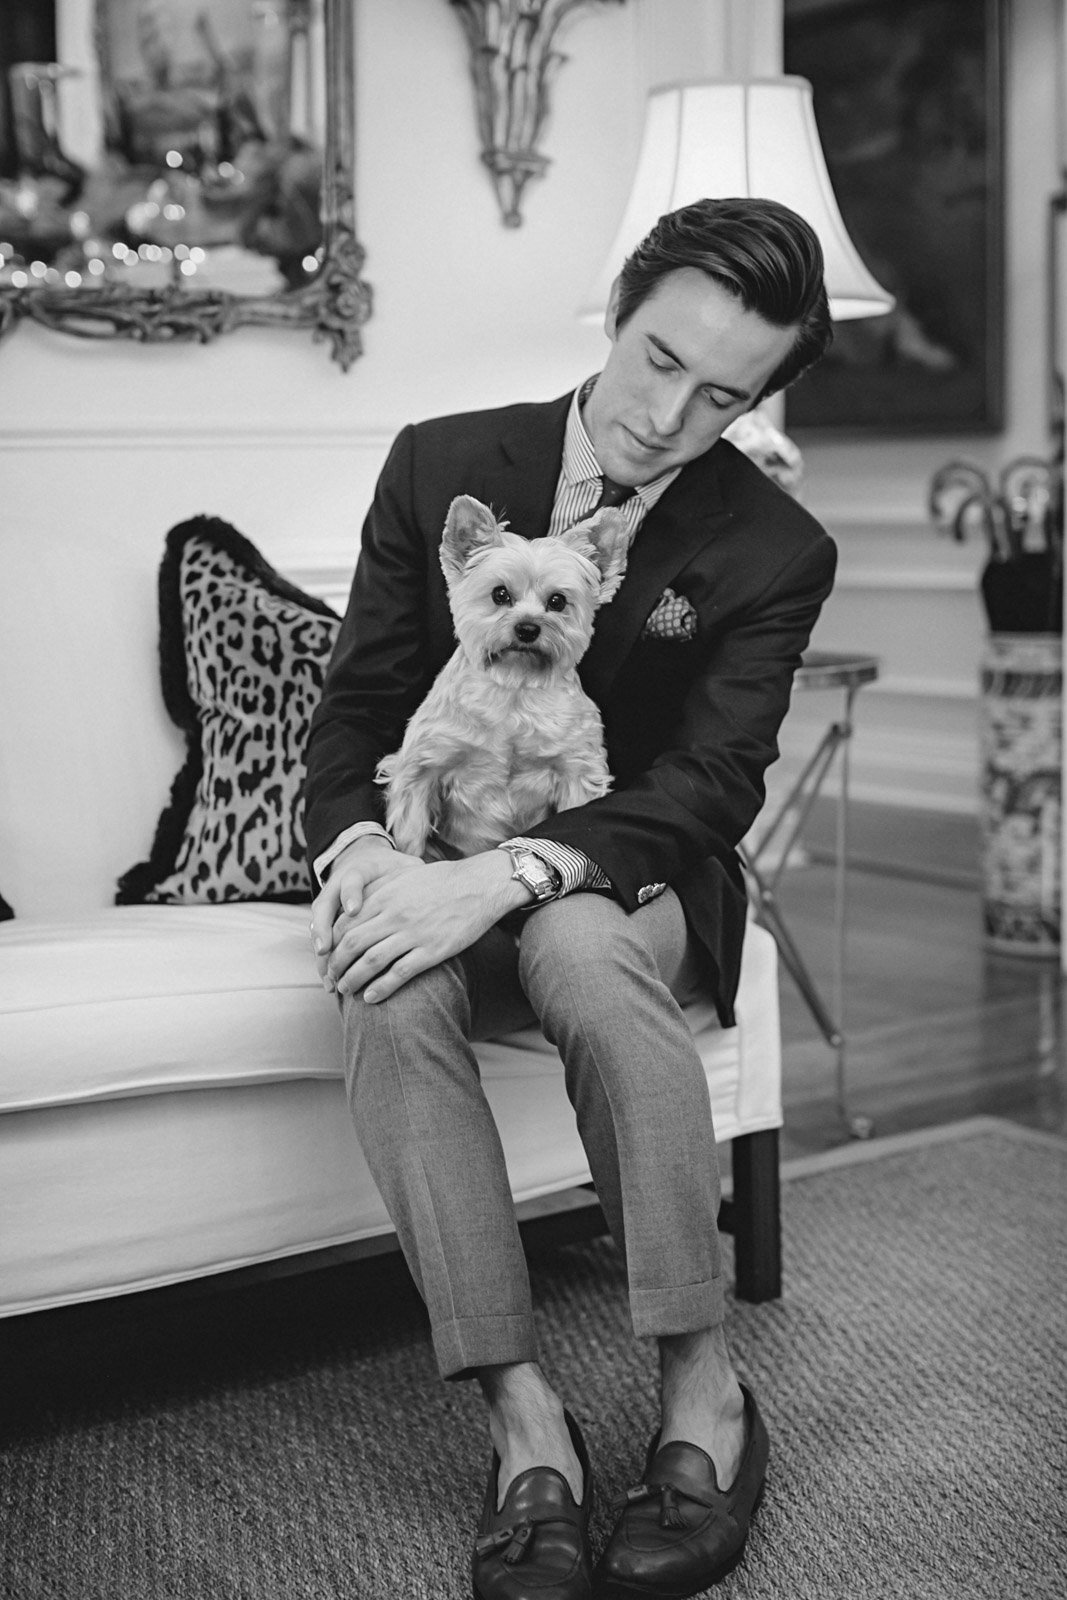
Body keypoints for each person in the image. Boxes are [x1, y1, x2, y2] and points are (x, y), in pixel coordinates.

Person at [303, 196, 836, 1600]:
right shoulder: (438, 465)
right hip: (438, 840)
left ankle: (703, 1387)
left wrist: (518, 872)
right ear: (620, 305)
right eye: (660, 360)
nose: (668, 415)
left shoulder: (776, 546)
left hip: (631, 875)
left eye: (723, 395)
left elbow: (712, 783)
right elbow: (355, 711)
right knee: (384, 966)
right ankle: (521, 1416)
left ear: (764, 398)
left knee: (583, 949)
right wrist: (366, 855)